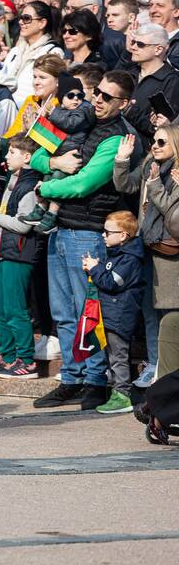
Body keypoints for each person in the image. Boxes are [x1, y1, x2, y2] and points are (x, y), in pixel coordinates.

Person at [30, 70, 136, 411]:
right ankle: (70, 379)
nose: (98, 100)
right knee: (62, 312)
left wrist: (45, 188)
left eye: (107, 97)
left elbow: (84, 184)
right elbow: (34, 152)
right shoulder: (82, 118)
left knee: (87, 311)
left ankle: (94, 380)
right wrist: (54, 161)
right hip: (60, 227)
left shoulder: (118, 137)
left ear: (125, 103)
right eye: (98, 93)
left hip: (89, 231)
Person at [113, 126, 179, 392]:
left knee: (170, 314)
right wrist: (121, 159)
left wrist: (155, 187)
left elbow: (173, 214)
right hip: (147, 248)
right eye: (153, 140)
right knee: (150, 312)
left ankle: (169, 371)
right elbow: (124, 185)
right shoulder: (151, 164)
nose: (155, 145)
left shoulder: (175, 172)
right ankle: (155, 365)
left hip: (169, 254)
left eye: (162, 141)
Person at [0, 135, 43, 379]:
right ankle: (9, 358)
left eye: (12, 152)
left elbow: (24, 225)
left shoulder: (29, 185)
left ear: (27, 157)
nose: (7, 157)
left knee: (14, 308)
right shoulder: (15, 180)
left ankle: (27, 360)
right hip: (5, 252)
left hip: (19, 254)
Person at [20, 62, 96, 234]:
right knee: (47, 178)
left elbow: (70, 124)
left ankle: (51, 215)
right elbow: (36, 158)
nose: (76, 99)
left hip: (72, 155)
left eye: (80, 95)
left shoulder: (83, 109)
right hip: (57, 152)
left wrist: (51, 114)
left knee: (58, 181)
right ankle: (40, 209)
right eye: (70, 95)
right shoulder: (61, 110)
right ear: (62, 97)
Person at [82, 210, 144, 414]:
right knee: (112, 356)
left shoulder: (130, 258)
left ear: (123, 235)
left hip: (119, 316)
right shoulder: (118, 253)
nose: (103, 235)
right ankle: (118, 391)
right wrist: (96, 267)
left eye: (108, 232)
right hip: (110, 314)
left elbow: (111, 282)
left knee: (118, 357)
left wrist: (95, 269)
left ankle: (123, 395)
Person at [0, 1, 62, 107]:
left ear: (42, 23)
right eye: (20, 18)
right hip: (6, 110)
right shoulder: (14, 51)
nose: (21, 22)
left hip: (30, 113)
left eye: (26, 18)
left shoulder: (52, 52)